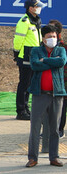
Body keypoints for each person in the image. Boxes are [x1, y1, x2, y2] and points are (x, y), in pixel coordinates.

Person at [26, 25, 66, 168]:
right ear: (43, 39)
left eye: (54, 36)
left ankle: (54, 157)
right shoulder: (36, 50)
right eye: (49, 37)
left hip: (57, 94)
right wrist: (50, 62)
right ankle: (32, 157)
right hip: (40, 94)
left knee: (55, 128)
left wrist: (45, 61)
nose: (52, 39)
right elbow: (35, 65)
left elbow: (61, 62)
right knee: (35, 127)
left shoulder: (61, 50)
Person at [16, 0, 44, 120]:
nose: (39, 8)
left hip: (34, 56)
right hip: (26, 56)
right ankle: (21, 111)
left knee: (30, 85)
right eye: (37, 6)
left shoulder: (36, 20)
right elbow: (18, 39)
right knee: (24, 84)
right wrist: (16, 53)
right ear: (30, 8)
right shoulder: (24, 21)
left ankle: (26, 109)